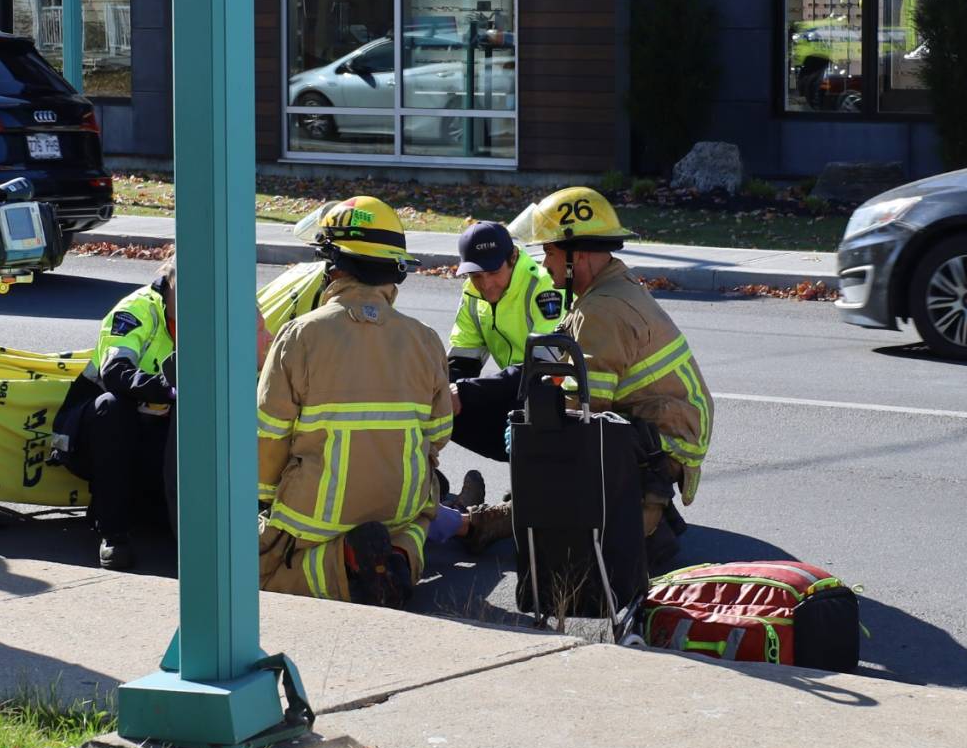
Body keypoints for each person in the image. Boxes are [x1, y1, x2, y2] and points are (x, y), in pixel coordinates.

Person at [469, 187, 713, 567]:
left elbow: (579, 413)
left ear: (575, 254)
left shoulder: (599, 309)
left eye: (549, 251)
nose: (544, 262)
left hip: (663, 441)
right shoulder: (610, 286)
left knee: (556, 443)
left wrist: (529, 441)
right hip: (665, 428)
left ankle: (638, 521)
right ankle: (641, 510)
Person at [255, 197, 461, 605]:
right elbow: (438, 435)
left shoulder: (300, 335)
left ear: (333, 265)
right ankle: (400, 555)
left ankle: (346, 568)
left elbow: (269, 437)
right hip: (398, 505)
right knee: (422, 515)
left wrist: (266, 502)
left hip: (318, 515)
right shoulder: (426, 339)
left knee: (261, 573)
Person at [64, 257, 179, 573]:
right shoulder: (136, 310)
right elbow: (115, 372)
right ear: (169, 281)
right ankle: (113, 535)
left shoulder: (216, 308)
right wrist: (168, 389)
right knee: (112, 408)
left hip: (161, 435)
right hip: (102, 433)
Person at [444, 219, 567, 464]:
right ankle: (433, 491)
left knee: (534, 403)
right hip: (514, 391)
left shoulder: (545, 287)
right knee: (436, 408)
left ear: (513, 258)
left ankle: (538, 485)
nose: (486, 284)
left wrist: (466, 392)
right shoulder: (472, 293)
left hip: (560, 395)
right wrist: (438, 394)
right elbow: (461, 362)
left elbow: (545, 370)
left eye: (493, 272)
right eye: (476, 275)